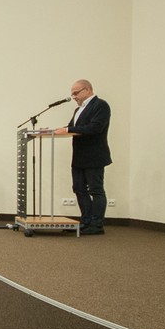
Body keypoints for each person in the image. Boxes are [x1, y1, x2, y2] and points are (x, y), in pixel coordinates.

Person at [54, 79, 112, 235]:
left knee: (96, 190)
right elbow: (73, 127)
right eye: (72, 94)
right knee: (79, 189)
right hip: (79, 157)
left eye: (76, 93)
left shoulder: (101, 105)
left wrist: (67, 129)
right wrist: (59, 130)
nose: (73, 96)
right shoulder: (77, 110)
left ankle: (97, 224)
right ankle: (86, 221)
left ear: (87, 90)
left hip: (94, 155)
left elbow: (95, 127)